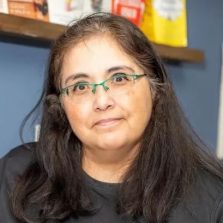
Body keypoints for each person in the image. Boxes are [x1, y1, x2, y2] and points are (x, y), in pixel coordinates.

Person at [1, 12, 223, 223]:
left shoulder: (213, 197)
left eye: (119, 78)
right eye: (80, 86)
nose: (102, 101)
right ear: (59, 107)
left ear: (155, 89)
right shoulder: (17, 177)